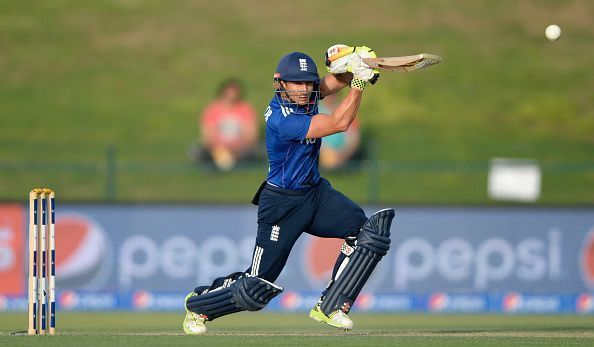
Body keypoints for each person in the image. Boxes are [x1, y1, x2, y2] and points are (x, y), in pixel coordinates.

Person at [182, 45, 395, 334]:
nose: (304, 90)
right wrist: (358, 82)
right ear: (279, 83)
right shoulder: (283, 118)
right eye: (297, 83)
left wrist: (354, 64)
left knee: (369, 233)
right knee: (255, 287)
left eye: (308, 83)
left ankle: (331, 306)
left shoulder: (305, 96)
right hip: (281, 204)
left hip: (315, 193)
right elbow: (339, 122)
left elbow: (334, 82)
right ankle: (200, 304)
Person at [192, 79, 259, 171]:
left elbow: (251, 134)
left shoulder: (246, 109)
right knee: (196, 151)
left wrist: (237, 145)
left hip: (240, 147)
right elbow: (207, 134)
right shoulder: (212, 109)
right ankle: (221, 161)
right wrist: (219, 146)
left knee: (258, 150)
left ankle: (231, 162)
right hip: (217, 148)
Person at [318, 92, 362, 170]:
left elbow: (354, 137)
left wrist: (344, 153)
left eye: (333, 94)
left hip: (343, 156)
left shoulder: (347, 110)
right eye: (327, 94)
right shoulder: (315, 111)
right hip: (321, 155)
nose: (330, 97)